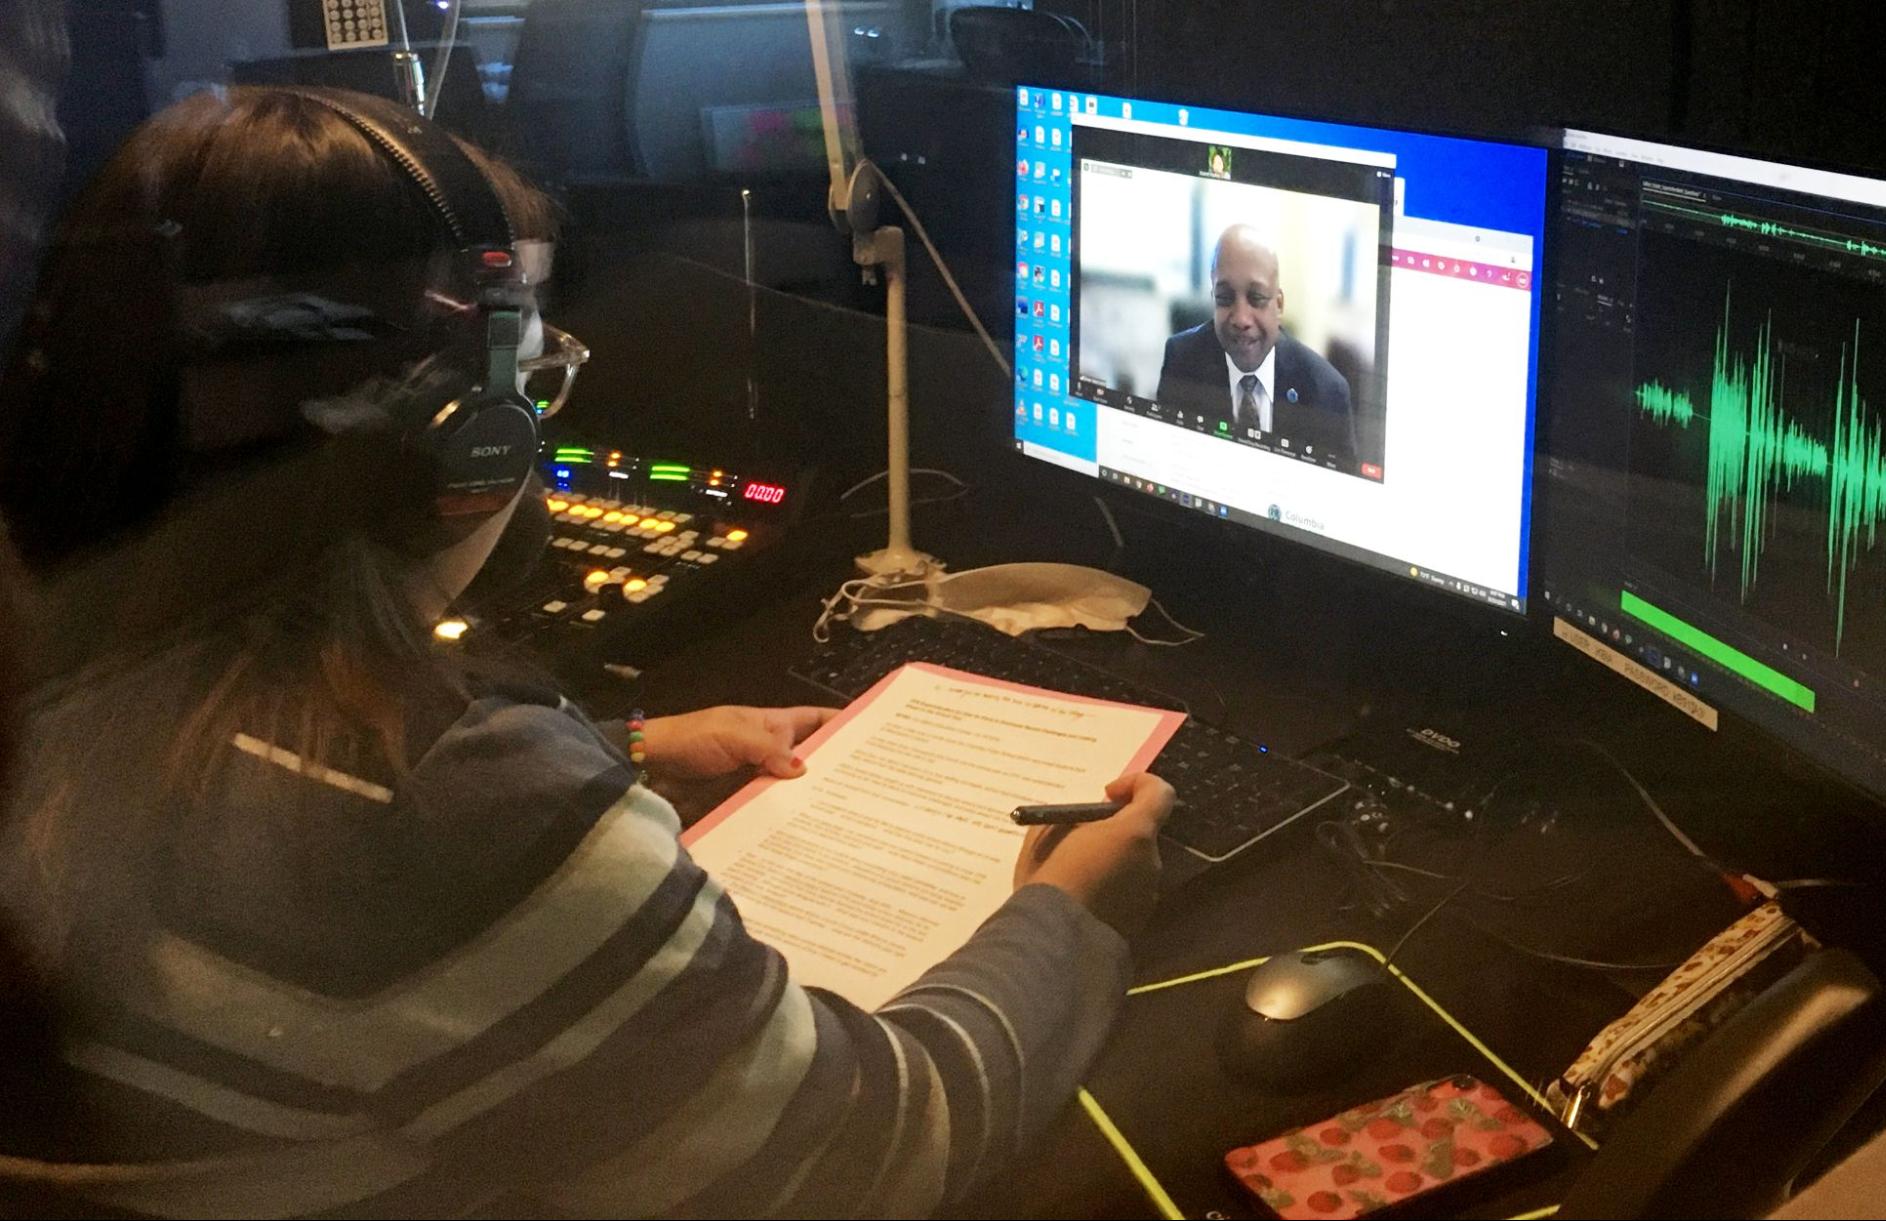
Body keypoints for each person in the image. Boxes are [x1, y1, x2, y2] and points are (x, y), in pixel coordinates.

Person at [0, 86, 1175, 1216]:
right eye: (531, 378)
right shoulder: (443, 805)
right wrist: (1068, 910)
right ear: (466, 438)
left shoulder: (46, 667)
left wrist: (622, 749)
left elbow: (236, 810)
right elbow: (872, 1149)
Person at [1157, 223, 1359, 467]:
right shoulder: (1182, 360)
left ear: (1279, 305)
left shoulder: (1326, 390)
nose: (1241, 318)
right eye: (1225, 298)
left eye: (1257, 298)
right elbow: (1169, 464)